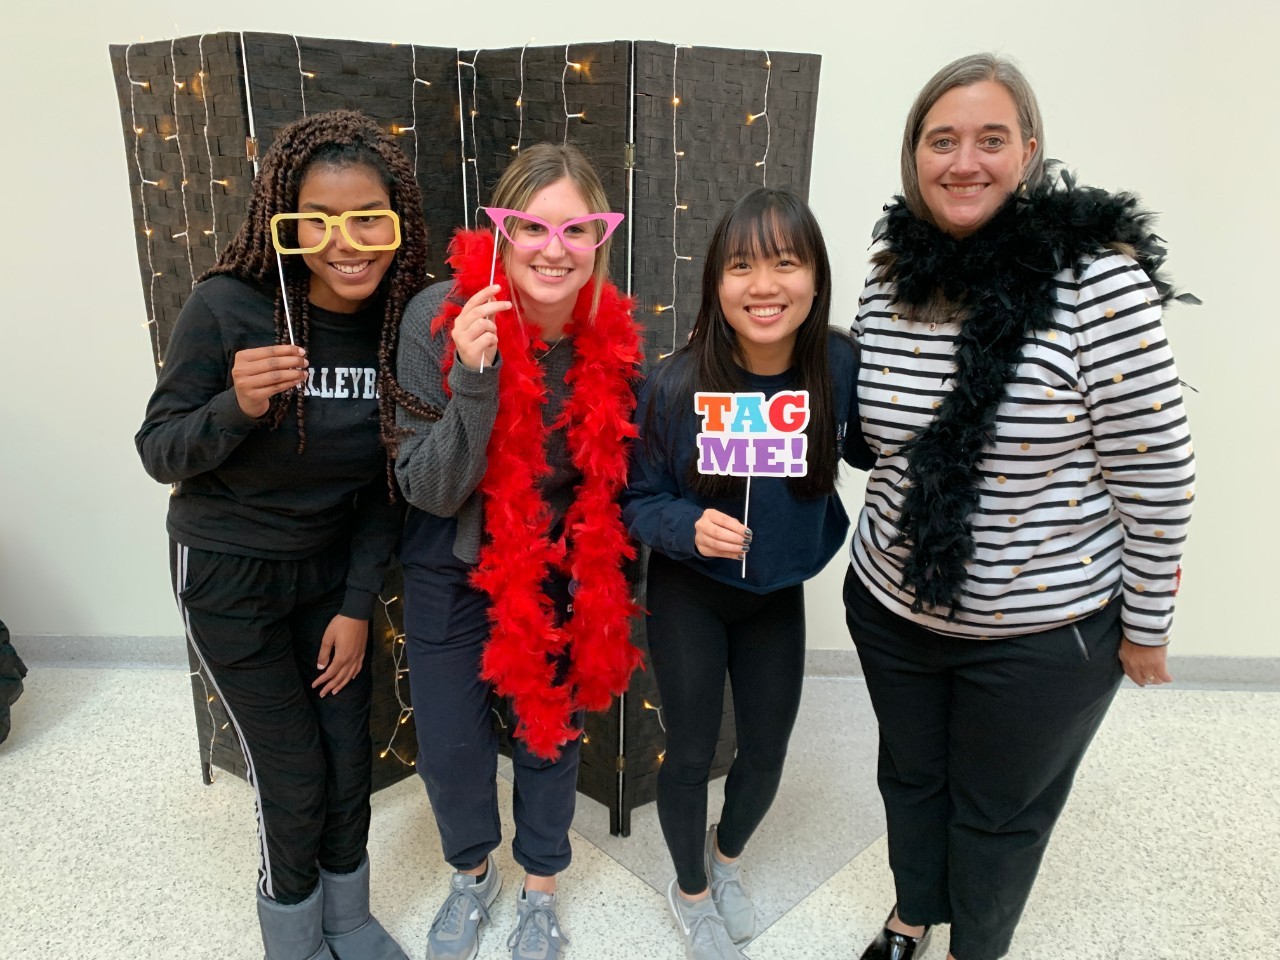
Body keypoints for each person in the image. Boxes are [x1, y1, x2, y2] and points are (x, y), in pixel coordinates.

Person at [845, 53, 1196, 960]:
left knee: (999, 815)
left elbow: (1156, 471)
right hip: (891, 606)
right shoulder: (889, 278)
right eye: (943, 140)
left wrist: (1147, 625)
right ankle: (911, 912)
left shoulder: (1096, 283)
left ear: (1030, 152)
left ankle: (978, 947)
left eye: (991, 139)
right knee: (911, 781)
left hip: (1042, 634)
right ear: (913, 156)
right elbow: (879, 434)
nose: (966, 162)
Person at [136, 109, 436, 960]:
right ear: (287, 220)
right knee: (293, 776)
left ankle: (349, 920)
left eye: (369, 216)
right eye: (319, 218)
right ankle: (295, 939)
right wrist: (236, 406)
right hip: (230, 578)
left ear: (399, 221)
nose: (348, 241)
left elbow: (389, 484)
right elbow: (159, 451)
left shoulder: (400, 323)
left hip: (329, 579)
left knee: (350, 764)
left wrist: (353, 603)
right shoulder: (229, 306)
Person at [393, 142, 644, 960]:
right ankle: (472, 875)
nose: (552, 247)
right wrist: (474, 374)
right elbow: (429, 487)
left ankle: (541, 886)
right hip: (453, 563)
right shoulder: (438, 315)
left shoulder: (609, 339)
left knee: (549, 735)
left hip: (556, 572)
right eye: (532, 226)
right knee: (453, 751)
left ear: (598, 241)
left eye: (576, 228)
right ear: (501, 233)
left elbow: (613, 476)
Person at [622, 188, 872, 960]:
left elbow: (873, 447)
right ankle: (689, 889)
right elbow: (634, 502)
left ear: (816, 278)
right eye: (741, 267)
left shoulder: (837, 362)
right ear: (716, 284)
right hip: (690, 592)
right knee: (692, 752)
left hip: (775, 594)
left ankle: (724, 859)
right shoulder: (674, 382)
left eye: (785, 263)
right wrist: (685, 525)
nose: (764, 285)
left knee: (765, 753)